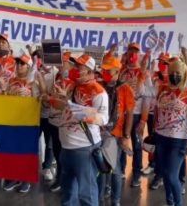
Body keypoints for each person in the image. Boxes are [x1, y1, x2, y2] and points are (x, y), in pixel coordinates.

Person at [50, 54, 108, 206]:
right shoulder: (73, 86)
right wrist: (61, 100)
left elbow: (103, 118)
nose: (75, 70)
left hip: (84, 150)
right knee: (68, 192)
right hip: (66, 148)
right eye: (75, 67)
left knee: (86, 194)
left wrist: (87, 115)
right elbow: (67, 108)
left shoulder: (99, 92)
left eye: (79, 68)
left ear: (90, 72)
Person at [155, 59, 187, 206]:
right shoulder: (161, 90)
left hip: (178, 140)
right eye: (172, 72)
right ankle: (170, 202)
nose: (174, 75)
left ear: (184, 74)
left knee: (171, 174)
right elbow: (156, 112)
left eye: (178, 73)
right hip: (161, 137)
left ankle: (178, 203)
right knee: (164, 174)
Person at [3, 54, 45, 193]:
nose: (19, 65)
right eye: (18, 63)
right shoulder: (11, 80)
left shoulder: (34, 82)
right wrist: (6, 92)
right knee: (13, 151)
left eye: (22, 63)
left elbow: (40, 101)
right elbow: (5, 99)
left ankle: (26, 180)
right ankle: (14, 178)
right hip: (12, 121)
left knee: (26, 153)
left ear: (28, 66)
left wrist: (31, 94)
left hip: (28, 123)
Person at [98, 55, 135, 206]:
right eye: (104, 70)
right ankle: (99, 198)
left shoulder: (125, 89)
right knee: (100, 168)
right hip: (98, 133)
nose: (105, 73)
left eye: (109, 71)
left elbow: (130, 114)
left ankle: (115, 200)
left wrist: (126, 135)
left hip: (115, 134)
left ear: (117, 72)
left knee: (115, 169)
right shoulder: (99, 86)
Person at [42, 52, 76, 192]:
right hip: (53, 120)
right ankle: (60, 178)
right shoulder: (56, 78)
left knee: (65, 153)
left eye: (64, 63)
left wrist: (60, 99)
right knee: (56, 150)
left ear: (71, 65)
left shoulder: (75, 82)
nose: (61, 65)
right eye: (60, 62)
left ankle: (65, 180)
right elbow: (49, 95)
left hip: (65, 123)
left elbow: (72, 104)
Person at [118, 43, 151, 187]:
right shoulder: (121, 71)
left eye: (135, 51)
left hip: (137, 115)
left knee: (137, 145)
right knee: (121, 144)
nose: (132, 54)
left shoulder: (143, 73)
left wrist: (144, 119)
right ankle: (121, 170)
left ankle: (136, 173)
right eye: (130, 51)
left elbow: (147, 98)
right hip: (121, 114)